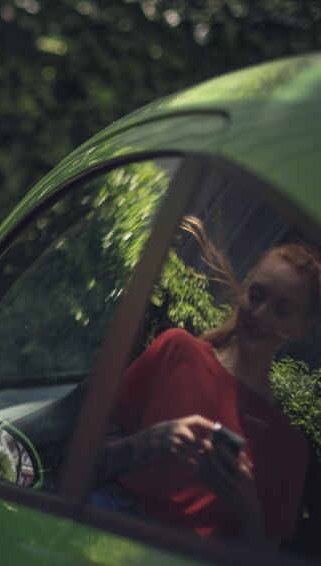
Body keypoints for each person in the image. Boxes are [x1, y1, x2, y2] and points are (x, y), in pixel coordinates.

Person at [92, 220, 319, 550]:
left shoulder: (289, 447)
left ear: (302, 329)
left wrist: (247, 507)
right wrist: (151, 442)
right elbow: (84, 460)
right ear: (243, 291)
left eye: (281, 310)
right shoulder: (175, 349)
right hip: (107, 522)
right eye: (256, 295)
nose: (260, 313)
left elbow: (261, 559)